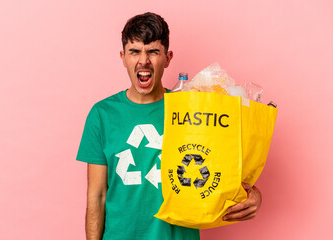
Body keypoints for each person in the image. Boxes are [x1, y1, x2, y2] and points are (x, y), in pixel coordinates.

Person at [77, 12, 262, 240]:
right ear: (123, 57)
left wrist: (253, 195)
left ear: (167, 58)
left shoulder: (191, 110)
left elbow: (218, 171)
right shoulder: (102, 114)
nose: (143, 61)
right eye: (134, 51)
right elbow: (97, 195)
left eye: (153, 51)